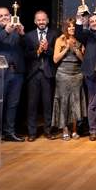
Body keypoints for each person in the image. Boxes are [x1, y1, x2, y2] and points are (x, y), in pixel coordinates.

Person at [0, 6, 26, 142]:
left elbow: (27, 47)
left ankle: (9, 132)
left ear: (11, 16)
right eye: (0, 16)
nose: (4, 18)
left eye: (6, 15)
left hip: (16, 73)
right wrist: (6, 32)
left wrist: (22, 34)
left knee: (13, 104)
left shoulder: (16, 31)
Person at [24, 10, 59, 141]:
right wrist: (38, 51)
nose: (41, 22)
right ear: (35, 21)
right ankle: (32, 132)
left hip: (48, 74)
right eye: (39, 20)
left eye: (43, 19)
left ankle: (48, 130)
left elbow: (56, 54)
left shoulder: (55, 34)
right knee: (32, 104)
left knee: (47, 103)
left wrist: (47, 49)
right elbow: (26, 55)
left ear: (48, 20)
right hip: (33, 74)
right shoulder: (28, 36)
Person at [52, 19, 86, 140]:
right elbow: (55, 59)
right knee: (64, 103)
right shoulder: (60, 40)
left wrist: (76, 50)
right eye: (69, 27)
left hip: (77, 74)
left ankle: (75, 130)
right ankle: (65, 129)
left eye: (73, 27)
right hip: (63, 75)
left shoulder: (79, 41)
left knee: (75, 103)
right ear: (65, 28)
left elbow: (83, 60)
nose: (72, 29)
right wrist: (66, 48)